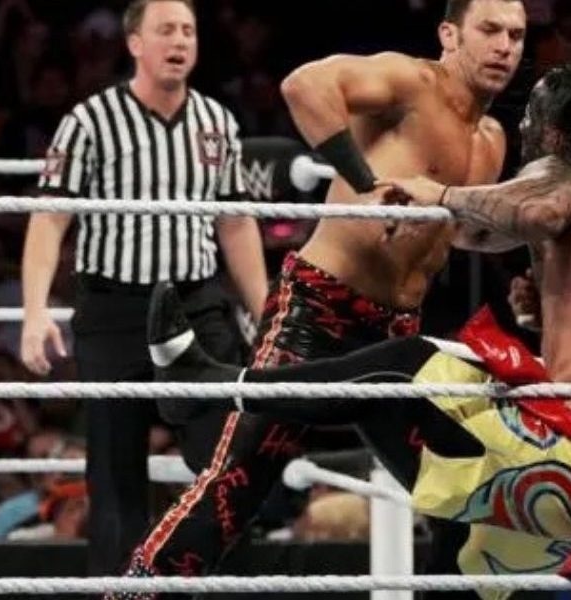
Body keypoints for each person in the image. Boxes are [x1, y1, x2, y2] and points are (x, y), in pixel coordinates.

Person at [141, 58, 571, 594]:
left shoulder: (565, 173)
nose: (523, 125)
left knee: (408, 365)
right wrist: (430, 215)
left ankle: (217, 384)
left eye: (535, 114)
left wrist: (440, 193)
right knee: (445, 530)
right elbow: (498, 233)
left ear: (560, 131)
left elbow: (537, 207)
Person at [119, 0, 527, 585]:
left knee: (461, 494)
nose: (504, 46)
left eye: (516, 34)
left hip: (396, 336)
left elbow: (463, 233)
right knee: (236, 486)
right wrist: (366, 184)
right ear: (449, 34)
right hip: (320, 310)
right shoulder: (411, 82)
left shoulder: (491, 139)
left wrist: (525, 263)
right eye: (489, 29)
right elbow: (304, 85)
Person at [19, 0, 268, 575]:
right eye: (166, 30)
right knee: (115, 471)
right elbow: (49, 216)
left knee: (226, 455)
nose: (179, 41)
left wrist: (265, 311)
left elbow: (235, 222)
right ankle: (120, 591)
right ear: (134, 43)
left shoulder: (217, 121)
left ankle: (225, 584)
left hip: (195, 307)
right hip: (114, 309)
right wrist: (35, 310)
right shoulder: (90, 120)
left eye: (188, 31)